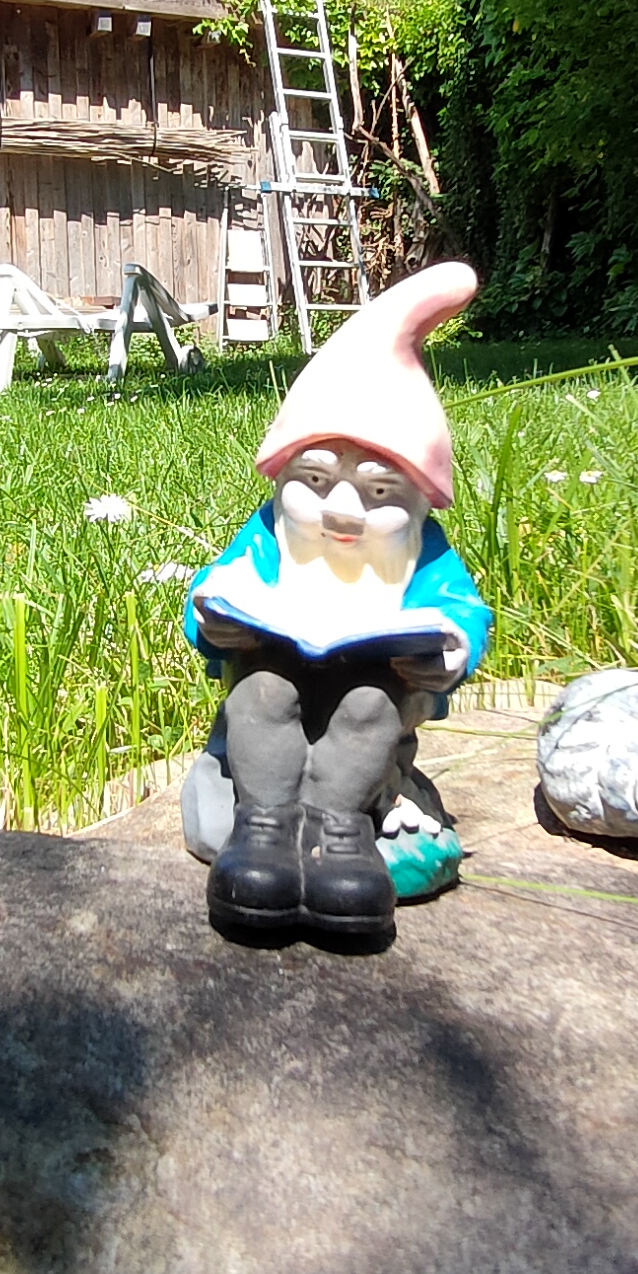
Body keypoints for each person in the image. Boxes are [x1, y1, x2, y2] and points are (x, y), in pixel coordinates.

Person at [184, 261, 492, 947]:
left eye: (381, 492)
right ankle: (264, 827)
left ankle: (339, 829)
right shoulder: (270, 537)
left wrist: (448, 651)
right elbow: (217, 584)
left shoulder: (423, 552)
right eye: (316, 482)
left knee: (369, 709)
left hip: (371, 708)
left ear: (419, 497)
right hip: (271, 689)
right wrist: (213, 616)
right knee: (260, 694)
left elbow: (463, 612)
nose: (343, 511)